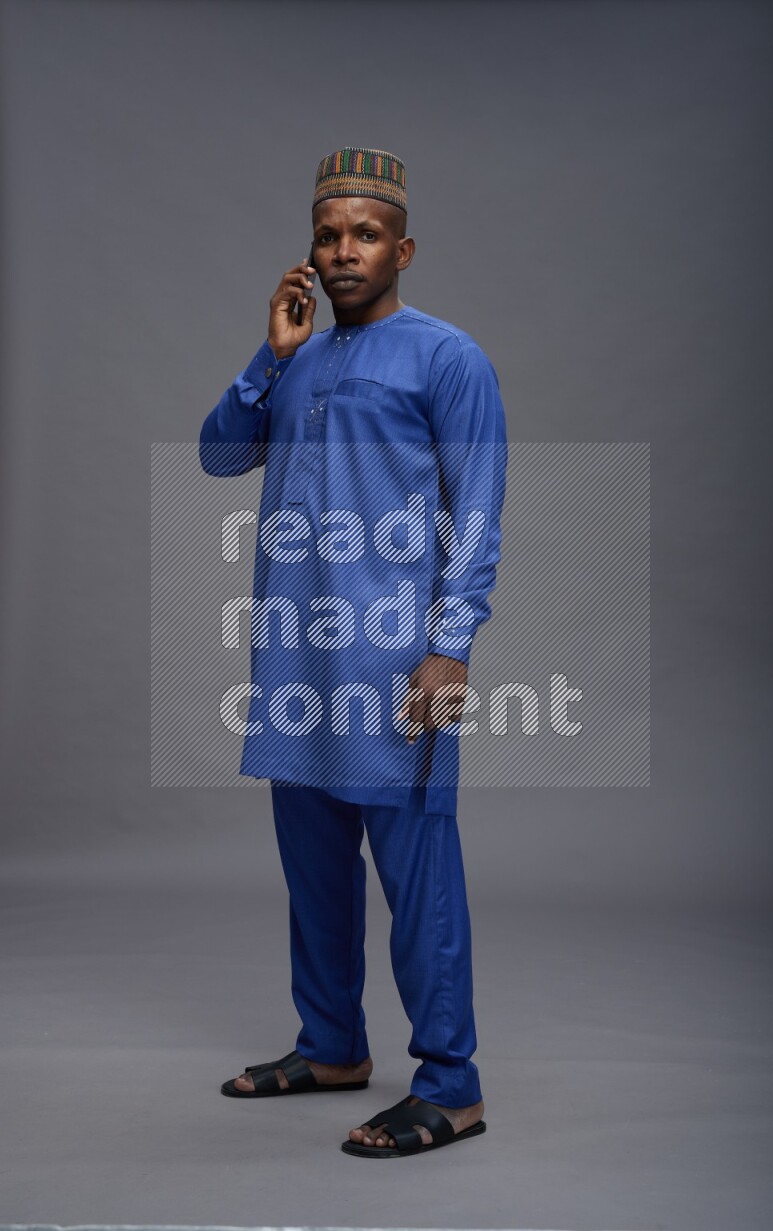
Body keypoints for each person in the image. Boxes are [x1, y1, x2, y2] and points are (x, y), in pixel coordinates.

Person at [199, 147, 508, 1157]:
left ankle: (450, 1083)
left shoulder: (445, 357)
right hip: (296, 663)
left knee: (417, 879)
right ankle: (331, 1044)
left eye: (364, 234)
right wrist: (269, 354)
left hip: (391, 668)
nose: (342, 251)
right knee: (314, 869)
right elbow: (217, 451)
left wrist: (447, 647)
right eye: (327, 234)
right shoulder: (297, 358)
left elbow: (481, 511)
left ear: (401, 248)